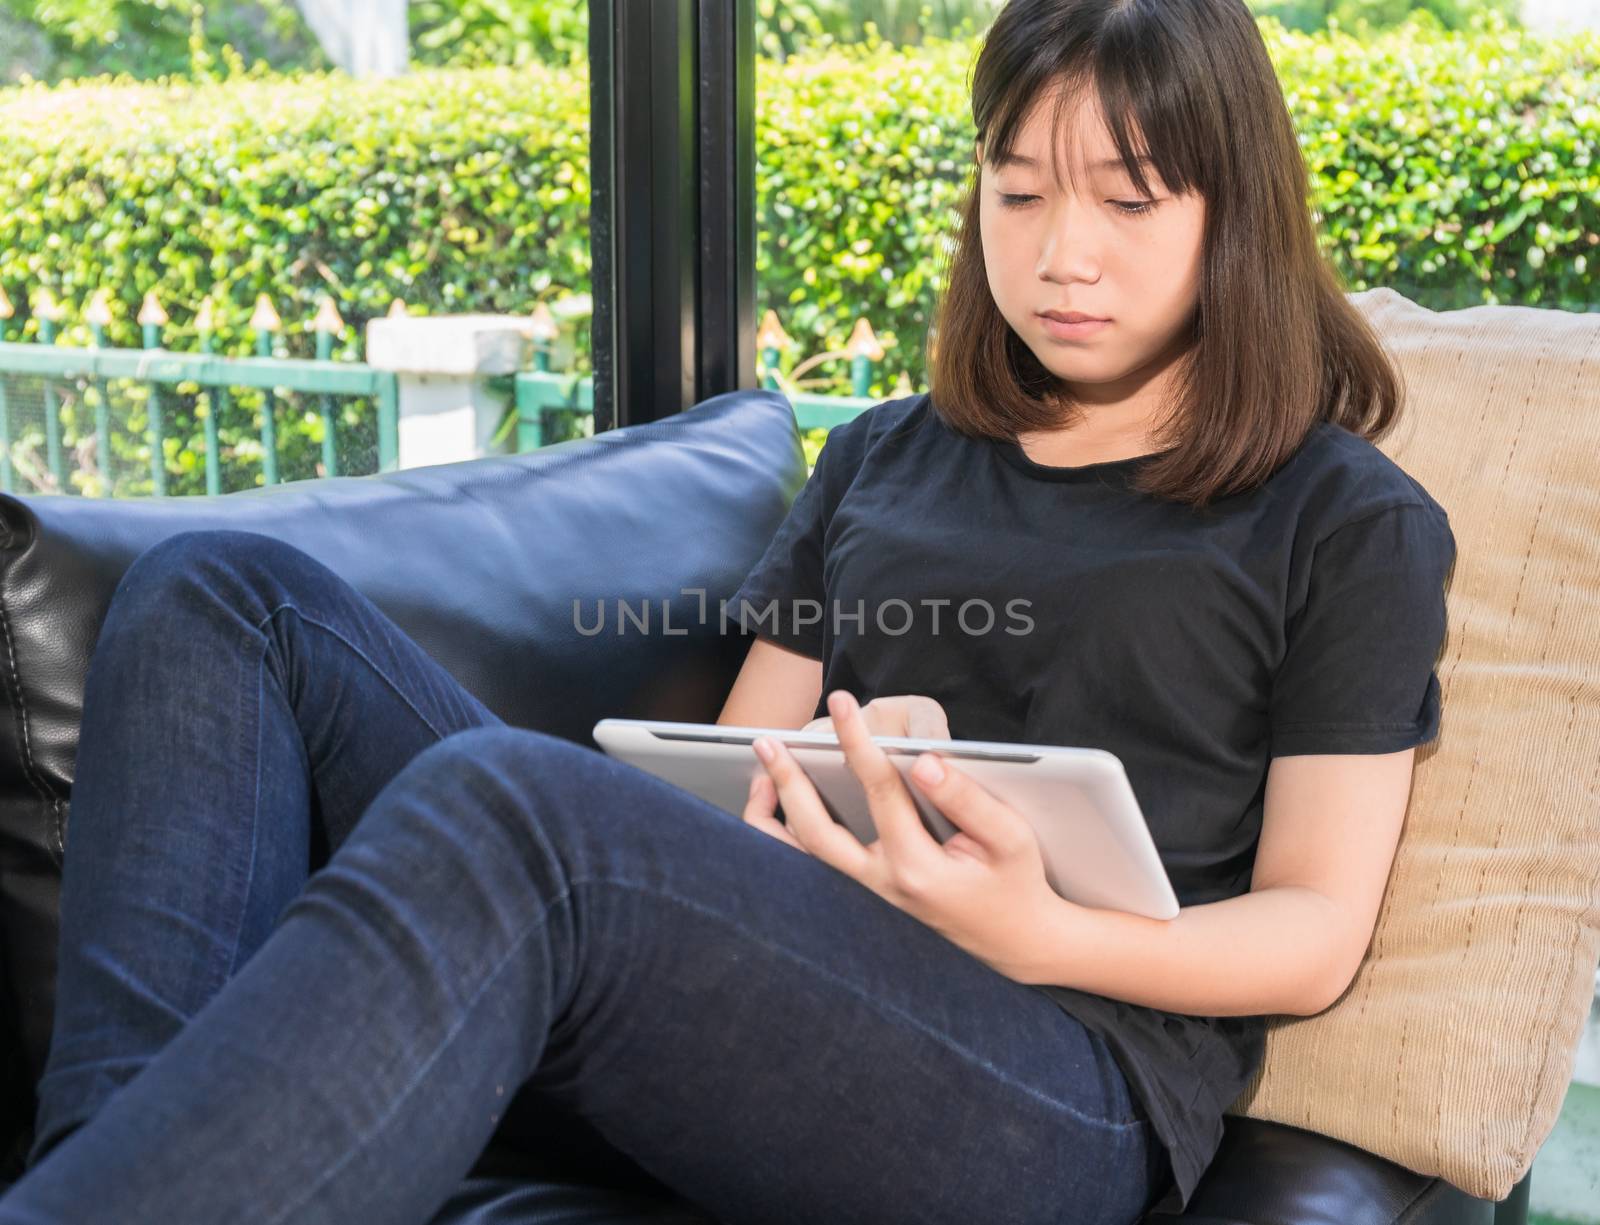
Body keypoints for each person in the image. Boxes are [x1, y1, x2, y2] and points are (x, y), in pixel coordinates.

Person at [0, 0, 1455, 1222]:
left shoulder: (1341, 521)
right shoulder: (889, 451)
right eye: (1018, 190)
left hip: (1058, 1073)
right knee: (219, 595)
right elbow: (740, 779)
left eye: (1129, 200)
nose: (1061, 252)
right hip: (778, 984)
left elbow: (1314, 928)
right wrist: (819, 791)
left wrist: (1039, 933)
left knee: (517, 806)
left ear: (1236, 211)